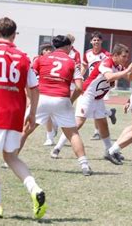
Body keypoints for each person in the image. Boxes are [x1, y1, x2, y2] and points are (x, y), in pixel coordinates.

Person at [0, 17, 47, 219]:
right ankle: (35, 189)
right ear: (14, 34)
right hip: (16, 112)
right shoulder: (23, 57)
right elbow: (34, 88)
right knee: (11, 156)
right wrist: (32, 112)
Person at [51, 44, 132, 164]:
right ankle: (57, 148)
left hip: (98, 98)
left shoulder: (118, 66)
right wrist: (127, 70)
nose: (126, 59)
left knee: (103, 123)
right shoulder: (106, 63)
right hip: (87, 95)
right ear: (116, 55)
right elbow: (109, 77)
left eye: (127, 57)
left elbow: (130, 78)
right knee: (78, 123)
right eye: (124, 56)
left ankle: (109, 150)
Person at [20, 35, 92, 176]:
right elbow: (79, 88)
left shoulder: (41, 59)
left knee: (25, 129)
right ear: (67, 47)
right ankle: (84, 165)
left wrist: (29, 98)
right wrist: (70, 101)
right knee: (72, 134)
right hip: (61, 99)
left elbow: (28, 81)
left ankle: (9, 160)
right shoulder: (72, 62)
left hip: (42, 98)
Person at [82, 31, 117, 140]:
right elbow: (84, 66)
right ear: (91, 41)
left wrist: (112, 82)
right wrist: (81, 77)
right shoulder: (87, 53)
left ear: (101, 41)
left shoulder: (106, 55)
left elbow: (112, 69)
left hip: (102, 83)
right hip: (91, 83)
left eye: (98, 40)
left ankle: (97, 131)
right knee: (95, 106)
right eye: (94, 40)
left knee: (96, 105)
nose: (96, 42)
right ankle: (110, 113)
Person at [33, 44, 58, 146]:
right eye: (46, 50)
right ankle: (50, 135)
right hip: (38, 89)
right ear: (42, 51)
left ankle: (50, 136)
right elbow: (33, 72)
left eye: (50, 50)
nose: (48, 51)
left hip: (51, 90)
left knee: (48, 115)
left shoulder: (56, 61)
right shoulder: (37, 59)